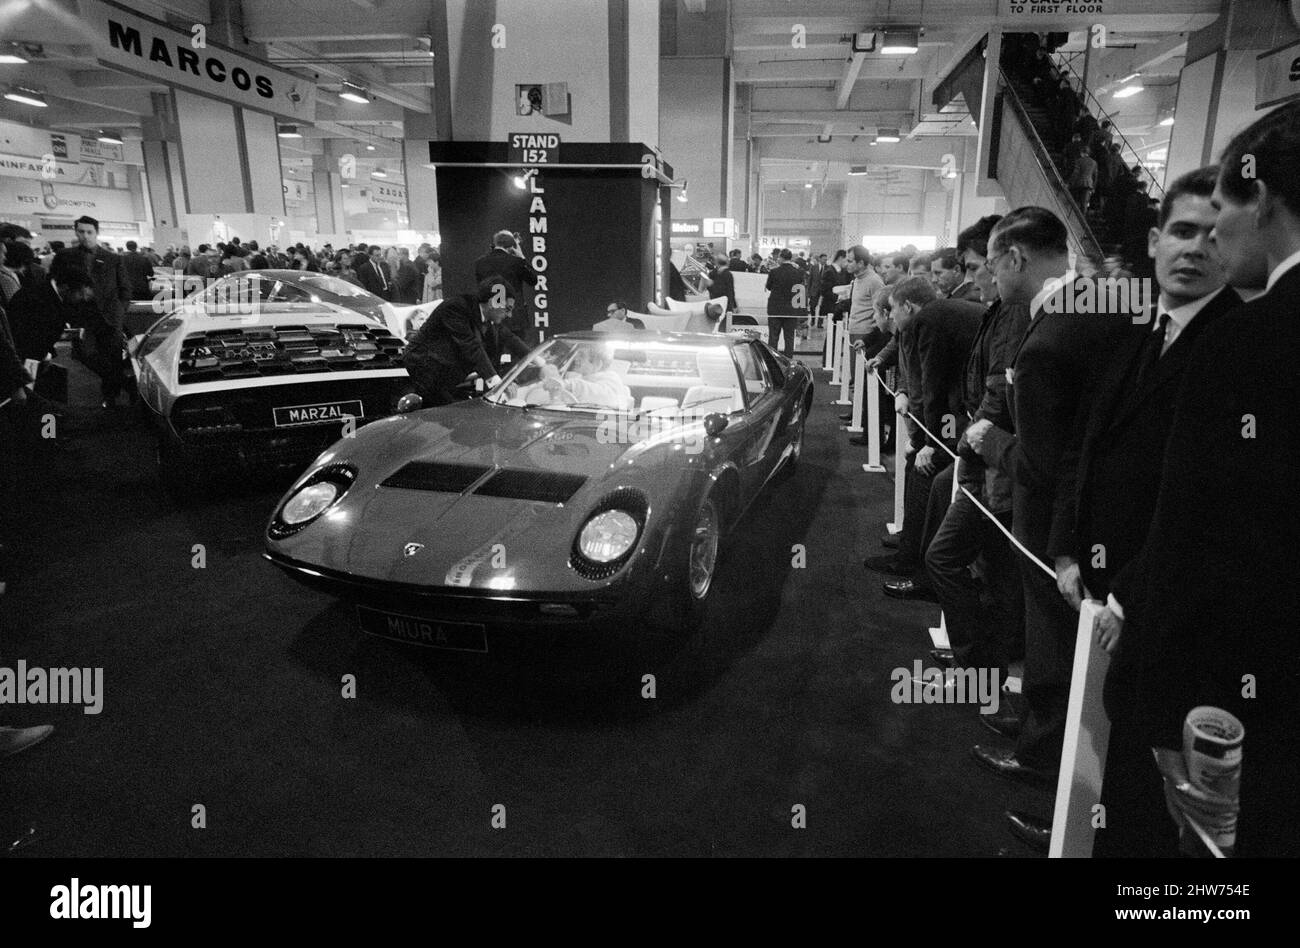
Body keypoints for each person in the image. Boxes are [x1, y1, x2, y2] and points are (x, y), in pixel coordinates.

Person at [1099, 104, 1300, 858]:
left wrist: (1174, 714)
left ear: (1265, 201)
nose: (1210, 238)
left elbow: (1203, 534)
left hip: (1244, 697)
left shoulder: (1249, 339)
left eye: (1219, 213)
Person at [1036, 165, 1242, 856]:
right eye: (1182, 231)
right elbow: (1083, 450)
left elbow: (1214, 504)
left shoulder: (1244, 348)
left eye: (1214, 235)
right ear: (1154, 242)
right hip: (1096, 590)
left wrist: (1131, 596)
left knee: (1147, 787)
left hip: (1170, 611)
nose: (1196, 248)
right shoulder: (1130, 333)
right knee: (1095, 738)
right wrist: (1065, 547)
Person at [964, 206, 1129, 794]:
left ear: (1016, 258)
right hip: (1095, 520)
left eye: (992, 265)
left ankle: (1044, 762)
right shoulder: (1102, 307)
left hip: (1058, 527)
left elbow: (1044, 459)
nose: (991, 278)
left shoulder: (1049, 338)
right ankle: (1039, 738)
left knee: (1055, 643)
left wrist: (991, 442)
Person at [403, 277, 530, 406]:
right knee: (445, 412)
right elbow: (471, 346)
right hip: (426, 368)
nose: (510, 315)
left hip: (447, 373)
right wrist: (498, 385)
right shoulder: (456, 307)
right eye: (507, 309)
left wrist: (541, 361)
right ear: (493, 302)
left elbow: (510, 338)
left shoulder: (489, 319)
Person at [56, 216, 131, 409]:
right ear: (76, 232)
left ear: (96, 233)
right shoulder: (65, 256)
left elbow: (125, 289)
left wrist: (119, 312)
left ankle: (111, 395)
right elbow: (58, 285)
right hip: (81, 317)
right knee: (83, 354)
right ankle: (125, 383)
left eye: (89, 232)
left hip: (110, 317)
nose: (85, 236)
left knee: (113, 357)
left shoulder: (113, 258)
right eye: (81, 232)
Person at [513, 344, 631, 410]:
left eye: (582, 356)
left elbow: (601, 394)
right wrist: (516, 393)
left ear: (597, 364)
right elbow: (546, 386)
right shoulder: (580, 378)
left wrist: (568, 385)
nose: (576, 359)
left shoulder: (611, 381)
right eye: (577, 355)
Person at [474, 230, 537, 324]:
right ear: (512, 246)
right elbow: (533, 280)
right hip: (513, 317)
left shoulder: (480, 263)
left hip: (489, 317)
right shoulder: (517, 262)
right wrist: (522, 257)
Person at [764, 248, 803, 358]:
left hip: (775, 309)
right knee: (789, 338)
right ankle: (788, 361)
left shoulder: (774, 272)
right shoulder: (798, 272)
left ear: (781, 258)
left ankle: (773, 360)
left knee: (773, 337)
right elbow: (800, 287)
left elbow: (769, 287)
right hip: (791, 309)